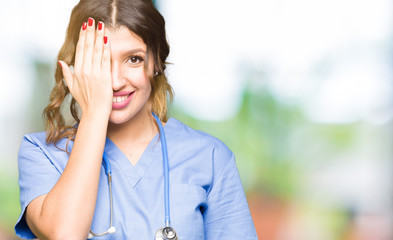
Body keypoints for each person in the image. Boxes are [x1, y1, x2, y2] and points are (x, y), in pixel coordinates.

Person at [15, 0, 258, 239]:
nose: (116, 81)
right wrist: (95, 112)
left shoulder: (211, 158)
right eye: (101, 62)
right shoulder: (42, 154)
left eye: (134, 59)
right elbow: (65, 235)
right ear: (78, 67)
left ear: (157, 62)